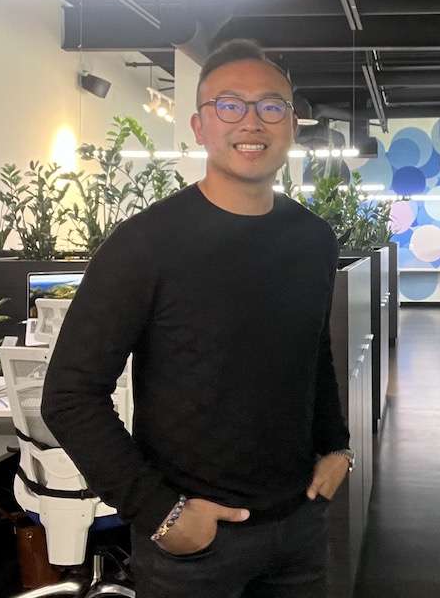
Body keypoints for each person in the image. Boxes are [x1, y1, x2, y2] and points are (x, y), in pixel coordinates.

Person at [42, 38, 353, 598]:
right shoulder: (145, 244)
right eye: (229, 105)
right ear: (199, 126)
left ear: (292, 123)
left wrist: (337, 445)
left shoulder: (314, 239)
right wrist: (158, 512)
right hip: (193, 546)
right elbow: (69, 394)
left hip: (298, 529)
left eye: (270, 106)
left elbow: (313, 355)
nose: (251, 121)